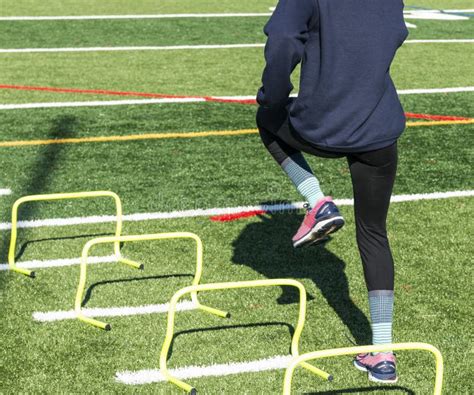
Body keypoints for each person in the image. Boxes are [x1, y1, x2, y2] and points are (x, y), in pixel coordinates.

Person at [256, 0, 408, 384]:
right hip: (379, 128)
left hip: (322, 124)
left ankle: (318, 201)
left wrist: (274, 96)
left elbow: (283, 39)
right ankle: (384, 353)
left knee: (267, 118)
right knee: (374, 232)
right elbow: (394, 33)